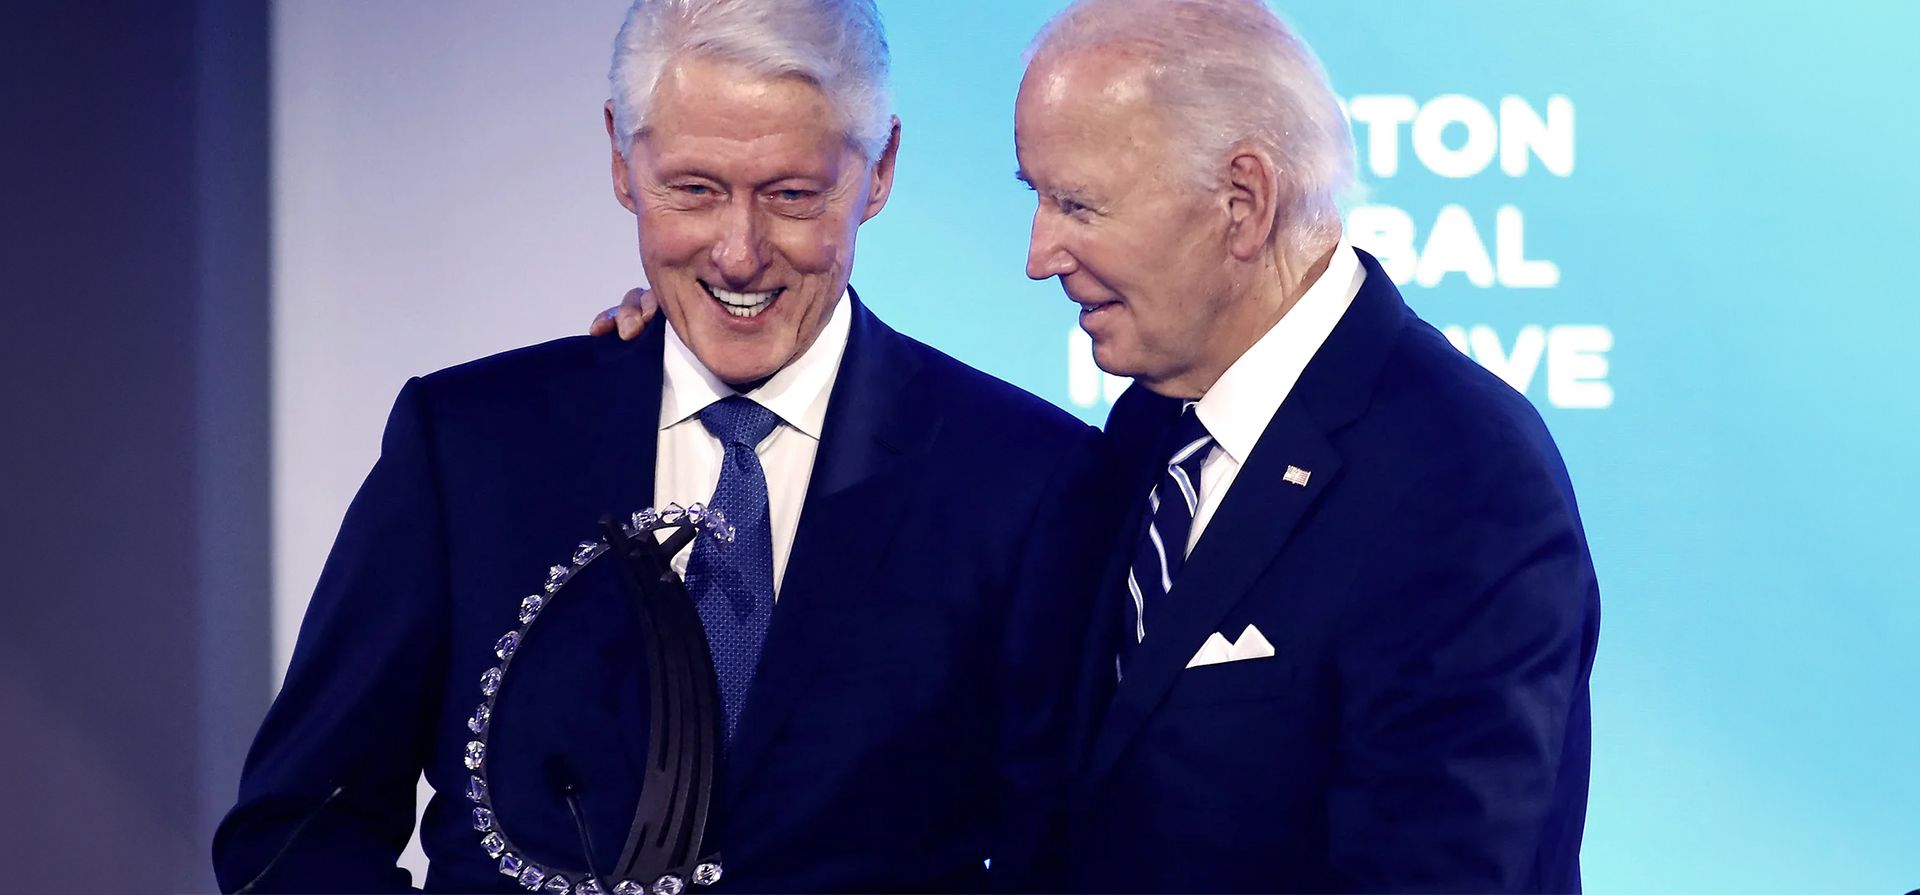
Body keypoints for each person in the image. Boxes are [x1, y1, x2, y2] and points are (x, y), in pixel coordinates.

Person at [602, 0, 1598, 891]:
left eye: (1077, 204)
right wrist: (689, 354)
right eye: (1037, 197)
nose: (1040, 256)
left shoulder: (1459, 478)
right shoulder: (1150, 430)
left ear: (1240, 203)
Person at [213, 1, 1112, 892]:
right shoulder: (469, 448)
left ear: (878, 173)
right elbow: (299, 827)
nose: (738, 252)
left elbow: (1064, 861)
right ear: (621, 158)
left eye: (792, 195)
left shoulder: (1023, 479)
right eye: (695, 189)